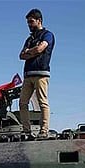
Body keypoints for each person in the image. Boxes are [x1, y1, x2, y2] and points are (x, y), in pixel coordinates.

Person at [18, 8, 55, 139]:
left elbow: (41, 48)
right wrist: (32, 51)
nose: (29, 24)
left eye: (31, 21)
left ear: (39, 21)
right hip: (28, 75)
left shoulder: (47, 35)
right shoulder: (29, 39)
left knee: (42, 102)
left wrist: (30, 52)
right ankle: (26, 131)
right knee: (22, 103)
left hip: (41, 73)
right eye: (28, 22)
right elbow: (21, 56)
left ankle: (43, 130)